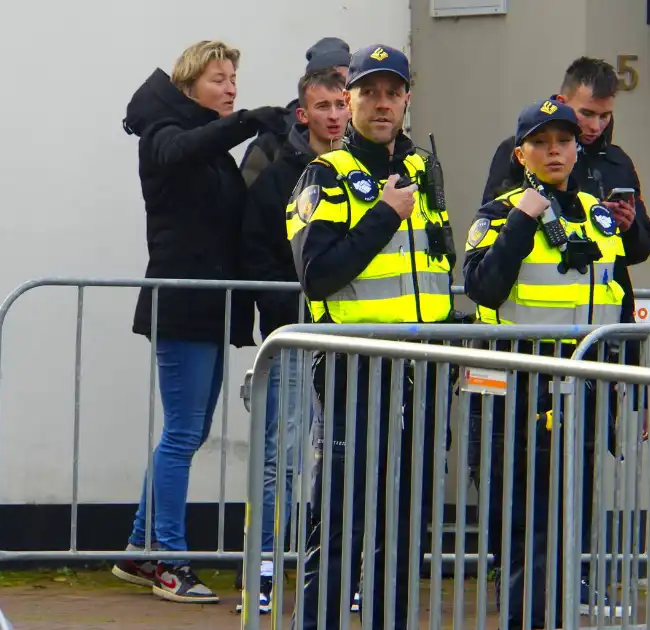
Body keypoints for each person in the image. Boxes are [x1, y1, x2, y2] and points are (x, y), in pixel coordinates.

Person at [286, 44, 455, 630]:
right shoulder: (326, 175)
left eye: (393, 92)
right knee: (340, 520)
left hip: (422, 373)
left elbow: (439, 270)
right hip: (356, 371)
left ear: (407, 99)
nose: (382, 104)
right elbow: (317, 274)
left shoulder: (422, 170)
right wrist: (382, 214)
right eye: (369, 92)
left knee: (405, 527)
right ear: (349, 96)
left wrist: (450, 352)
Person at [112, 39, 287, 603]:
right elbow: (177, 152)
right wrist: (247, 123)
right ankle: (170, 559)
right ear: (189, 86)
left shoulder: (209, 145)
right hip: (184, 303)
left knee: (185, 431)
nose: (231, 87)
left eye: (235, 77)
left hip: (210, 306)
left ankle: (141, 547)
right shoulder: (163, 133)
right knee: (184, 432)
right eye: (219, 78)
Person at [464, 98, 624, 629]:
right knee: (524, 531)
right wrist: (521, 221)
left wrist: (628, 391)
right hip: (518, 391)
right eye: (541, 143)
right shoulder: (495, 213)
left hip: (582, 389)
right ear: (521, 153)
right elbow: (482, 287)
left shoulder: (598, 215)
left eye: (563, 141)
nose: (553, 151)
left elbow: (617, 298)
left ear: (578, 149)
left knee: (568, 527)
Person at [236, 67, 350, 614]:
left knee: (347, 458)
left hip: (354, 341)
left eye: (339, 105)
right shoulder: (279, 180)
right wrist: (285, 315)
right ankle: (261, 569)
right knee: (279, 458)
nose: (333, 115)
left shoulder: (368, 175)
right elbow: (255, 252)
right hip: (292, 339)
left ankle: (340, 570)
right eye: (322, 106)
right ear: (303, 114)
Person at [481, 57, 650, 332]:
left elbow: (641, 249)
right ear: (563, 100)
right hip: (535, 335)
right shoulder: (523, 152)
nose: (596, 126)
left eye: (605, 116)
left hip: (605, 331)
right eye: (587, 113)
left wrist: (627, 227)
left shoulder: (617, 162)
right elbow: (493, 238)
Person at [240, 37, 351, 187]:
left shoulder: (366, 148)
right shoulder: (272, 145)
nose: (344, 89)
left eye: (350, 82)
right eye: (333, 80)